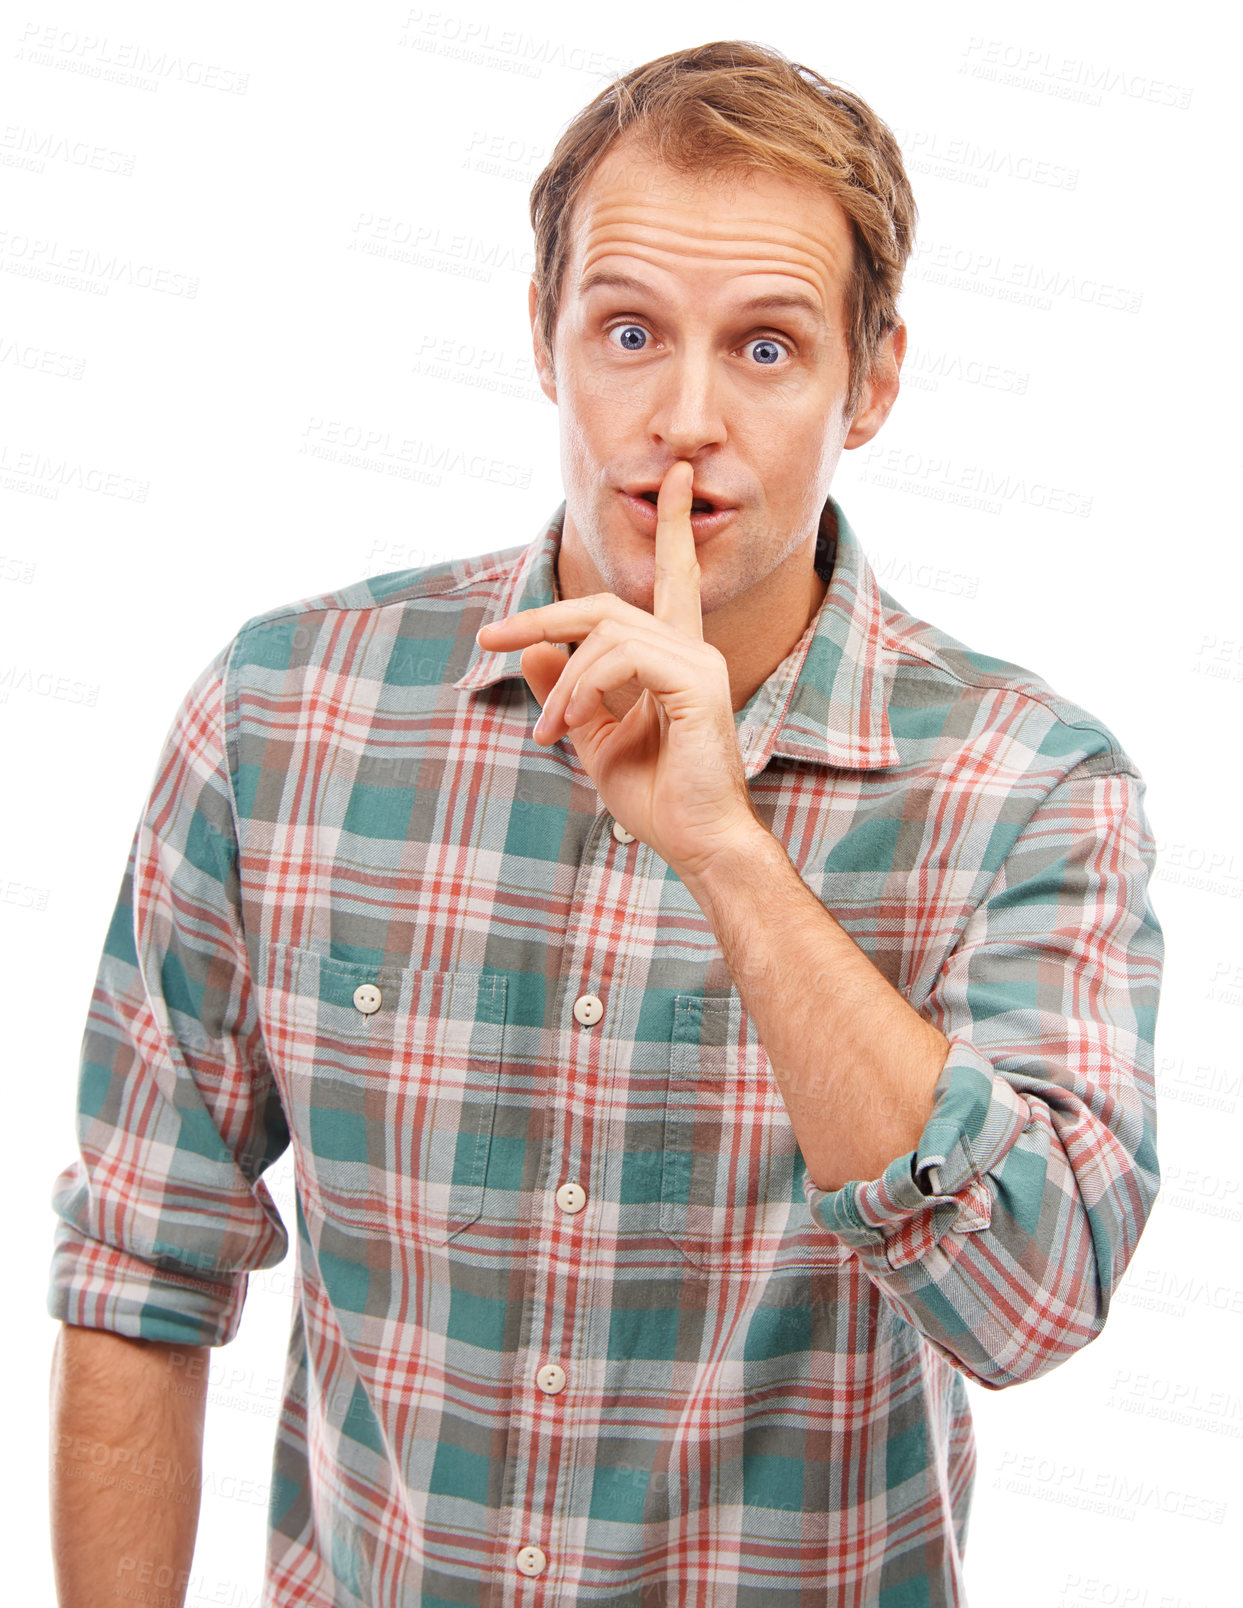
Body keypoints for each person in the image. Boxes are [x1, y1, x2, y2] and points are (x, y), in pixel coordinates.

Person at [47, 38, 1163, 1607]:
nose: (683, 418)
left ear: (877, 380)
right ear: (542, 335)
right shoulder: (283, 713)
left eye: (766, 349)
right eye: (629, 330)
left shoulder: (1029, 785)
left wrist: (725, 847)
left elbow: (1033, 1306)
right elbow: (138, 1266)